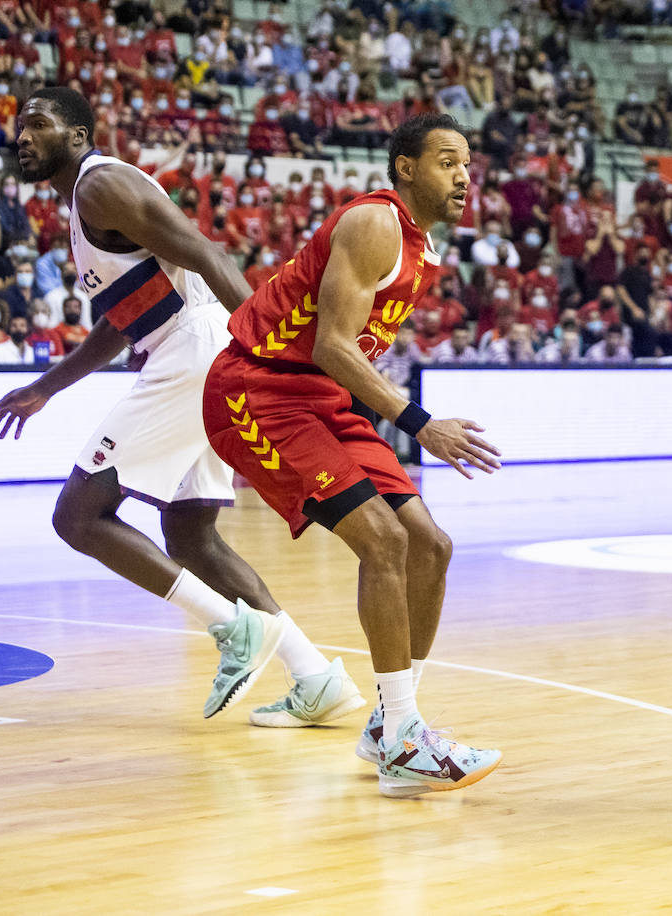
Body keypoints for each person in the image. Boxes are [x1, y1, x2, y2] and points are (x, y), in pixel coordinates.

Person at [0, 88, 363, 726]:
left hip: (197, 349)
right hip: (190, 348)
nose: (22, 135)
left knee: (78, 517)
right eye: (19, 126)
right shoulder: (86, 206)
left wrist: (263, 355)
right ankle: (315, 676)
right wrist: (47, 386)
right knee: (190, 534)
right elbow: (120, 324)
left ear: (77, 135)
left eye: (39, 124)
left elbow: (210, 254)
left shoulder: (100, 184)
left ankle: (229, 627)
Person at [200, 113, 504, 798]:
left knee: (430, 545)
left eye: (467, 165)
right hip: (259, 388)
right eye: (447, 162)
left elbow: (339, 361)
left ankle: (389, 726)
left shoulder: (421, 247)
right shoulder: (375, 224)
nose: (463, 177)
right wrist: (419, 423)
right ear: (405, 167)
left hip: (321, 397)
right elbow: (333, 345)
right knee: (385, 540)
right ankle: (403, 735)